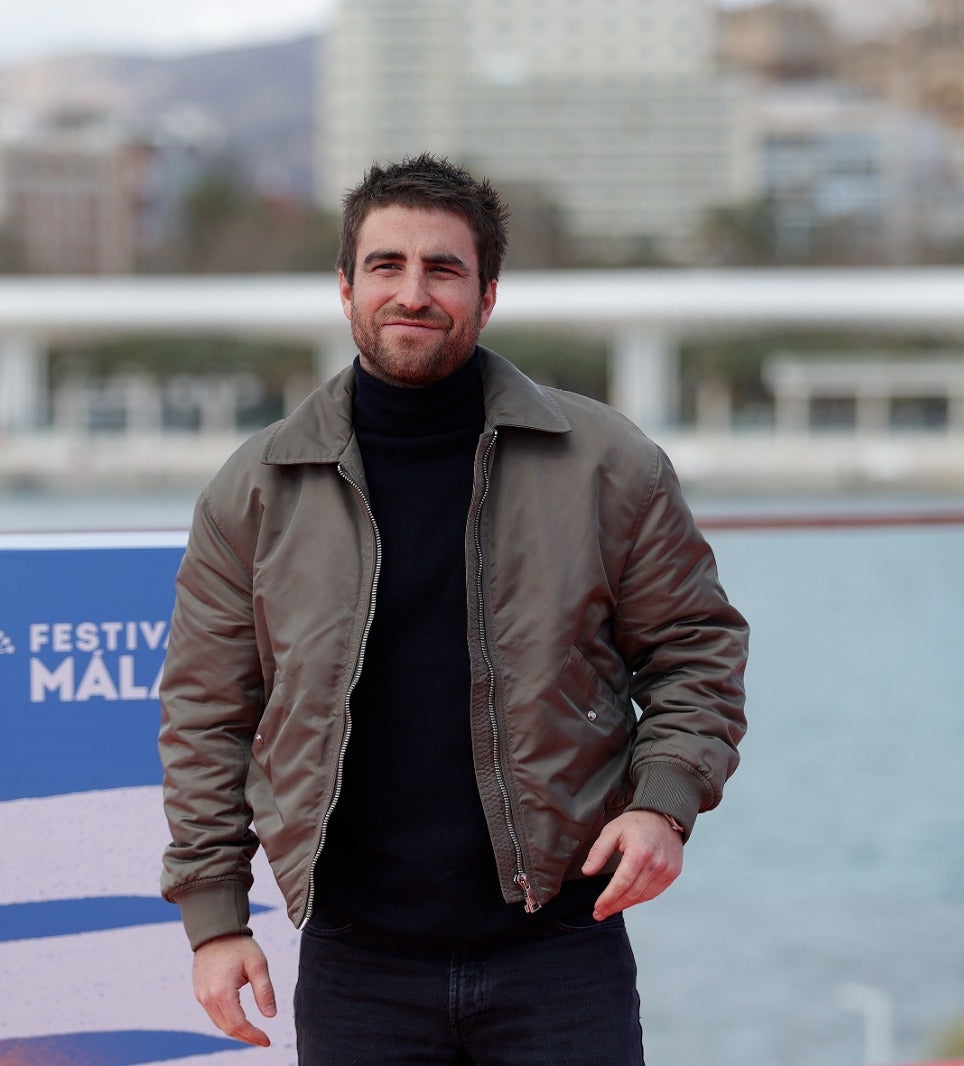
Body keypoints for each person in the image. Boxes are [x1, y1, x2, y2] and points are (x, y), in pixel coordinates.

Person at [159, 153, 748, 1064]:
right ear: (346, 287)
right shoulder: (258, 489)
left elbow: (694, 650)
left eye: (444, 269)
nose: (414, 292)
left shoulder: (606, 464)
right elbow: (207, 713)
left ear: (488, 292)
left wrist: (663, 805)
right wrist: (214, 917)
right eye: (387, 266)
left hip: (558, 947)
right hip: (357, 963)